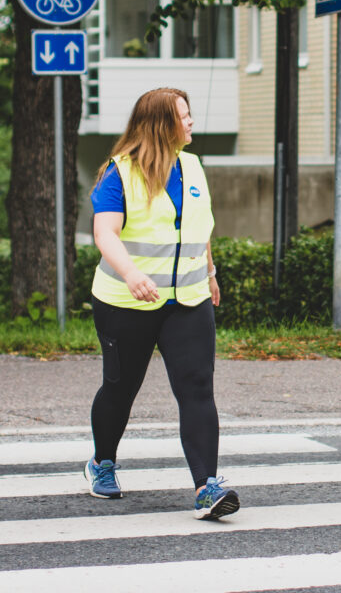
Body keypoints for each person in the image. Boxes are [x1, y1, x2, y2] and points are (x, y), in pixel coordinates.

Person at [84, 87, 238, 520]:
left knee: (196, 389)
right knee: (121, 388)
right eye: (183, 116)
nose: (191, 123)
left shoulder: (192, 166)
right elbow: (105, 233)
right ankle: (102, 463)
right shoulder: (119, 173)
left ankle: (207, 488)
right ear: (161, 125)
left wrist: (209, 273)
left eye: (189, 115)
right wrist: (133, 274)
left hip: (188, 301)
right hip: (124, 302)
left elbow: (201, 226)